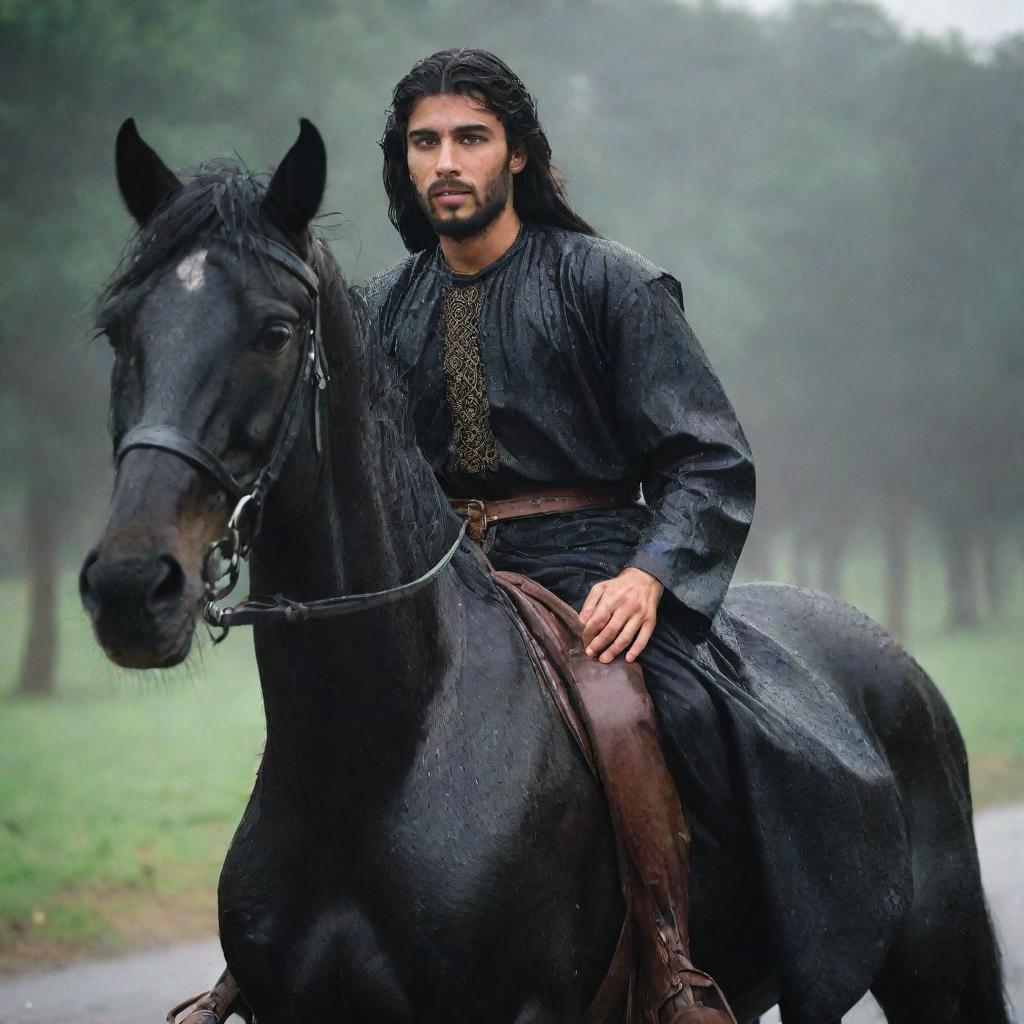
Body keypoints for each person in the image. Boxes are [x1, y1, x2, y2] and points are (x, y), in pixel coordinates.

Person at [363, 47, 754, 1022]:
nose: (445, 161)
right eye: (425, 142)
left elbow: (708, 461)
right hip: (438, 582)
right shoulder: (378, 311)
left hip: (590, 573)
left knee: (631, 713)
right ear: (403, 163)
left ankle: (670, 962)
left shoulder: (609, 283)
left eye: (469, 138)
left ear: (519, 156)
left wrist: (649, 576)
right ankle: (264, 954)